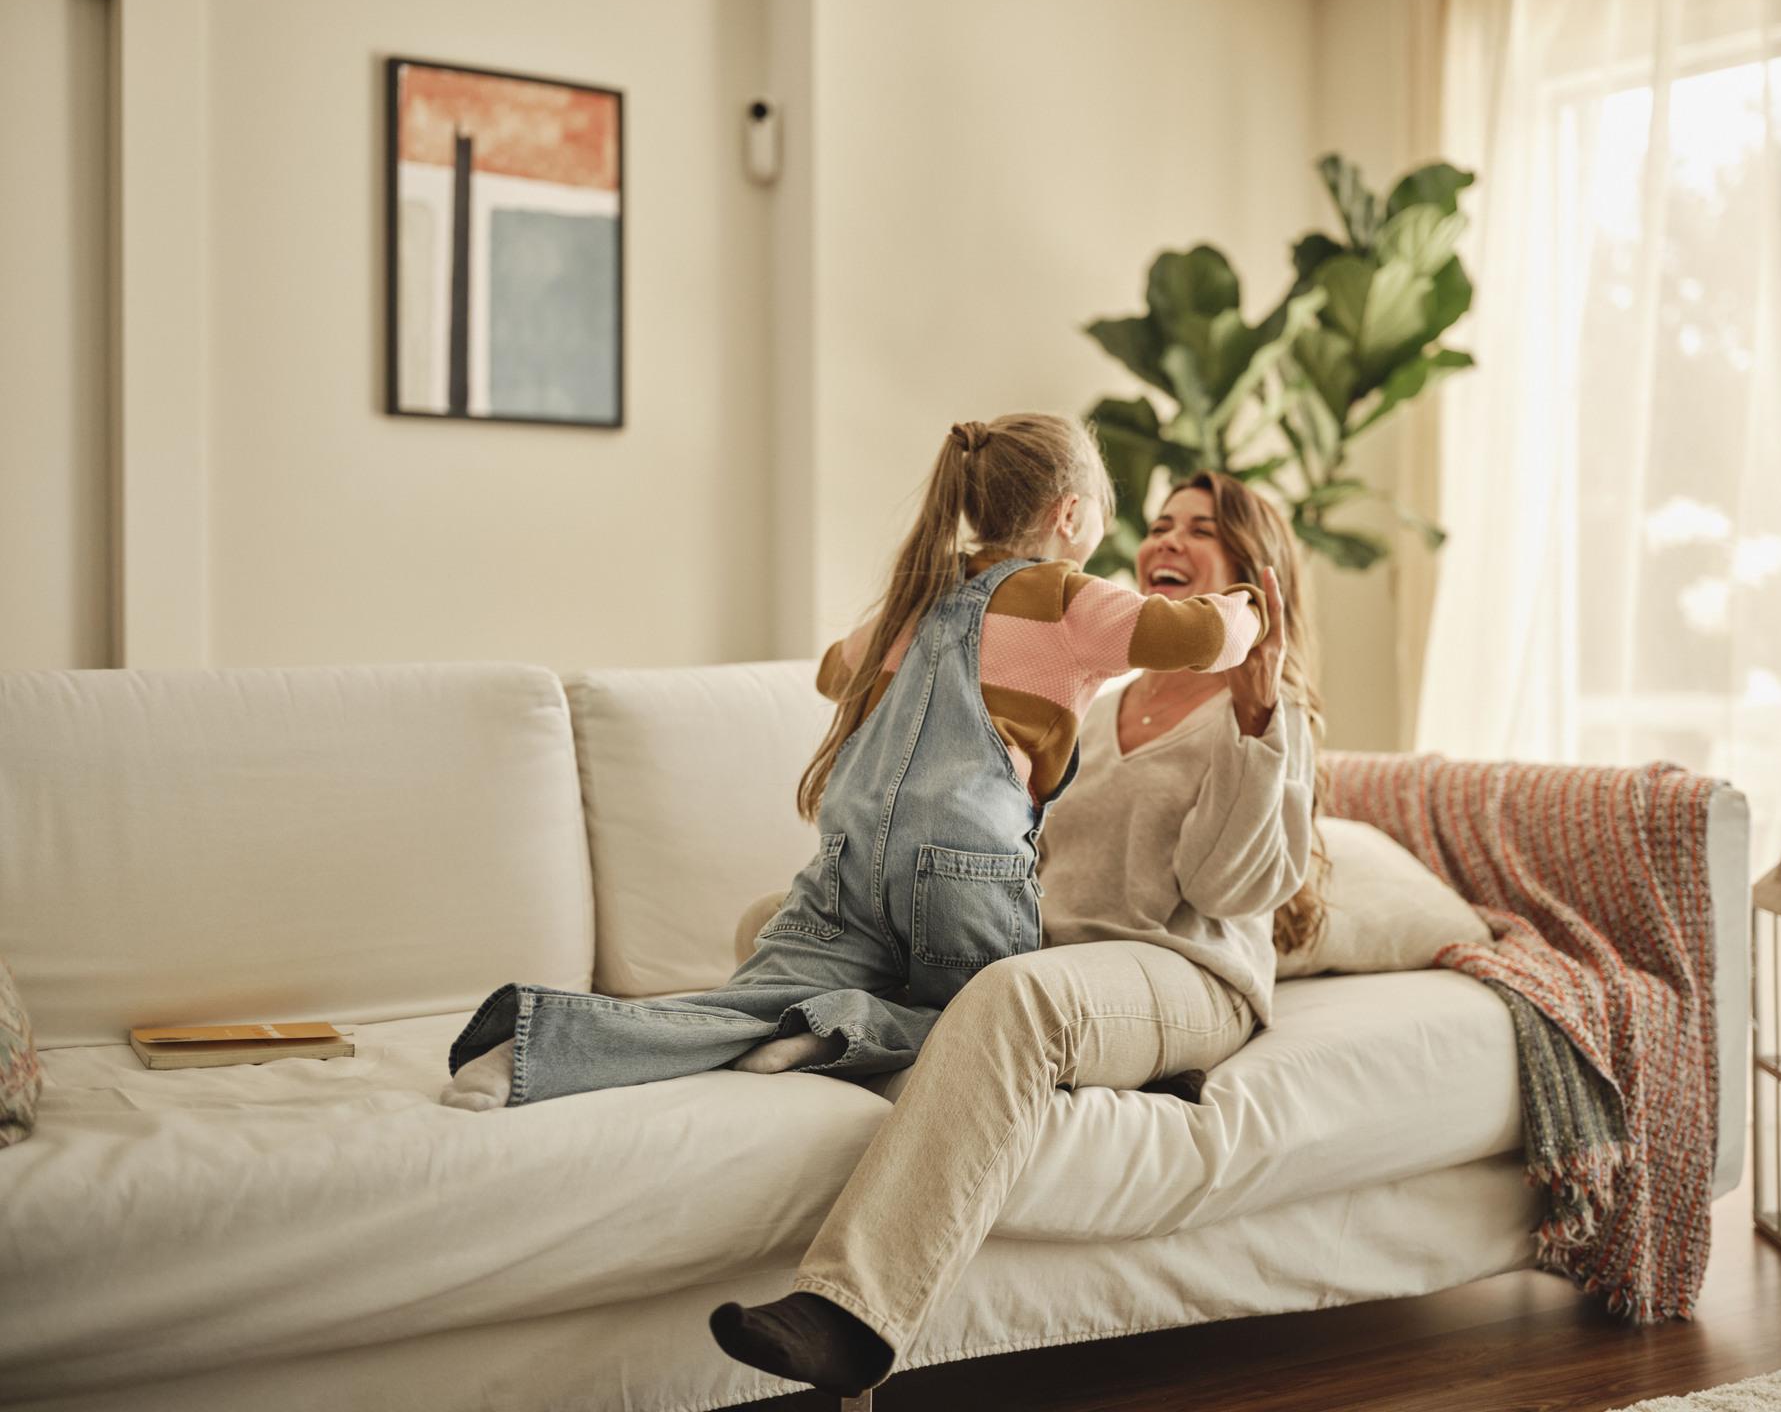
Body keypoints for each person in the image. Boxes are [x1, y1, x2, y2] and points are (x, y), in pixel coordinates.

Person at [439, 419, 1269, 1111]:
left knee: (740, 1003)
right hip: (962, 864)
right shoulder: (1065, 598)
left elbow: (835, 671)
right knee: (993, 1026)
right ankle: (846, 1030)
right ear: (1071, 512)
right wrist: (1251, 606)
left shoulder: (917, 601)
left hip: (848, 860)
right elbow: (1198, 637)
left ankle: (528, 1052)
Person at [710, 470, 1327, 1398]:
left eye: (1200, 530)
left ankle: (854, 1316)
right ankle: (994, 1047)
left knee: (1016, 999)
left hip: (1180, 969)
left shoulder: (1271, 716)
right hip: (1050, 953)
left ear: (1253, 576)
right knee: (779, 920)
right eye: (1158, 523)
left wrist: (1252, 717)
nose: (1165, 541)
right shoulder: (1098, 692)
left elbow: (1226, 886)